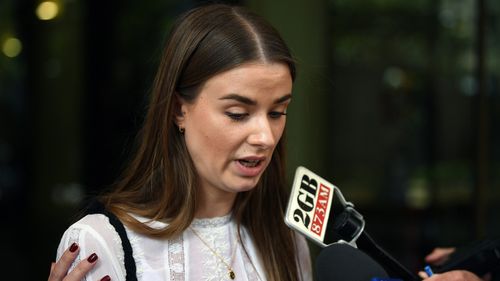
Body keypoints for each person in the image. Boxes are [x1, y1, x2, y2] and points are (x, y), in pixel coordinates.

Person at [47, 3, 312, 281]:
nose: (265, 137)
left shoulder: (287, 243)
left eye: (277, 113)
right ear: (178, 110)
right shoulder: (102, 243)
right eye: (238, 114)